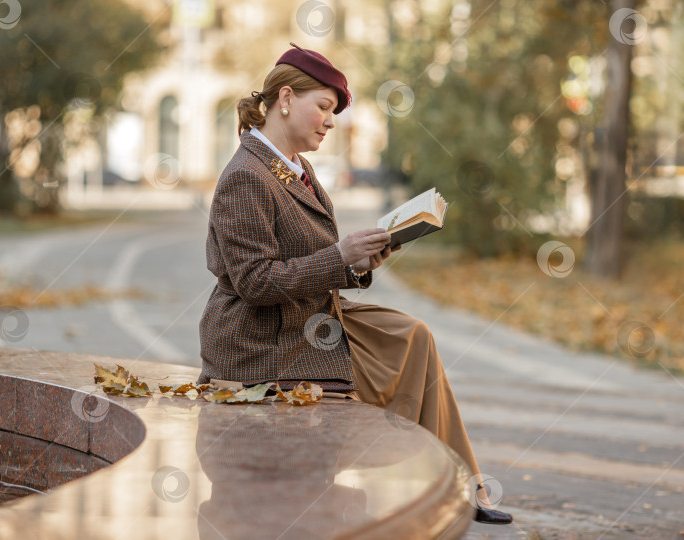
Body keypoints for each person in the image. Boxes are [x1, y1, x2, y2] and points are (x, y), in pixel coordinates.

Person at [197, 42, 512, 525]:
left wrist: (364, 262)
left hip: (306, 319)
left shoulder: (294, 169)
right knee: (401, 347)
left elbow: (314, 261)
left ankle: (463, 486)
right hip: (260, 340)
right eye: (322, 107)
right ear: (285, 98)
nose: (329, 121)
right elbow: (255, 282)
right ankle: (444, 489)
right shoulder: (247, 175)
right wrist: (340, 256)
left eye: (332, 112)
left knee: (415, 336)